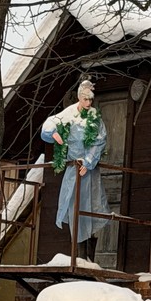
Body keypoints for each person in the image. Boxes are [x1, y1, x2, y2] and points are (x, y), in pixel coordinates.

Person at [41, 78, 109, 260]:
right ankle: (78, 254)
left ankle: (89, 255)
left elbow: (100, 141)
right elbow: (48, 126)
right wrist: (54, 134)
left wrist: (88, 162)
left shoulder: (95, 119)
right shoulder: (69, 114)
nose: (88, 103)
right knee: (75, 208)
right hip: (73, 169)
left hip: (89, 171)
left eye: (90, 100)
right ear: (79, 98)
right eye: (85, 99)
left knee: (92, 209)